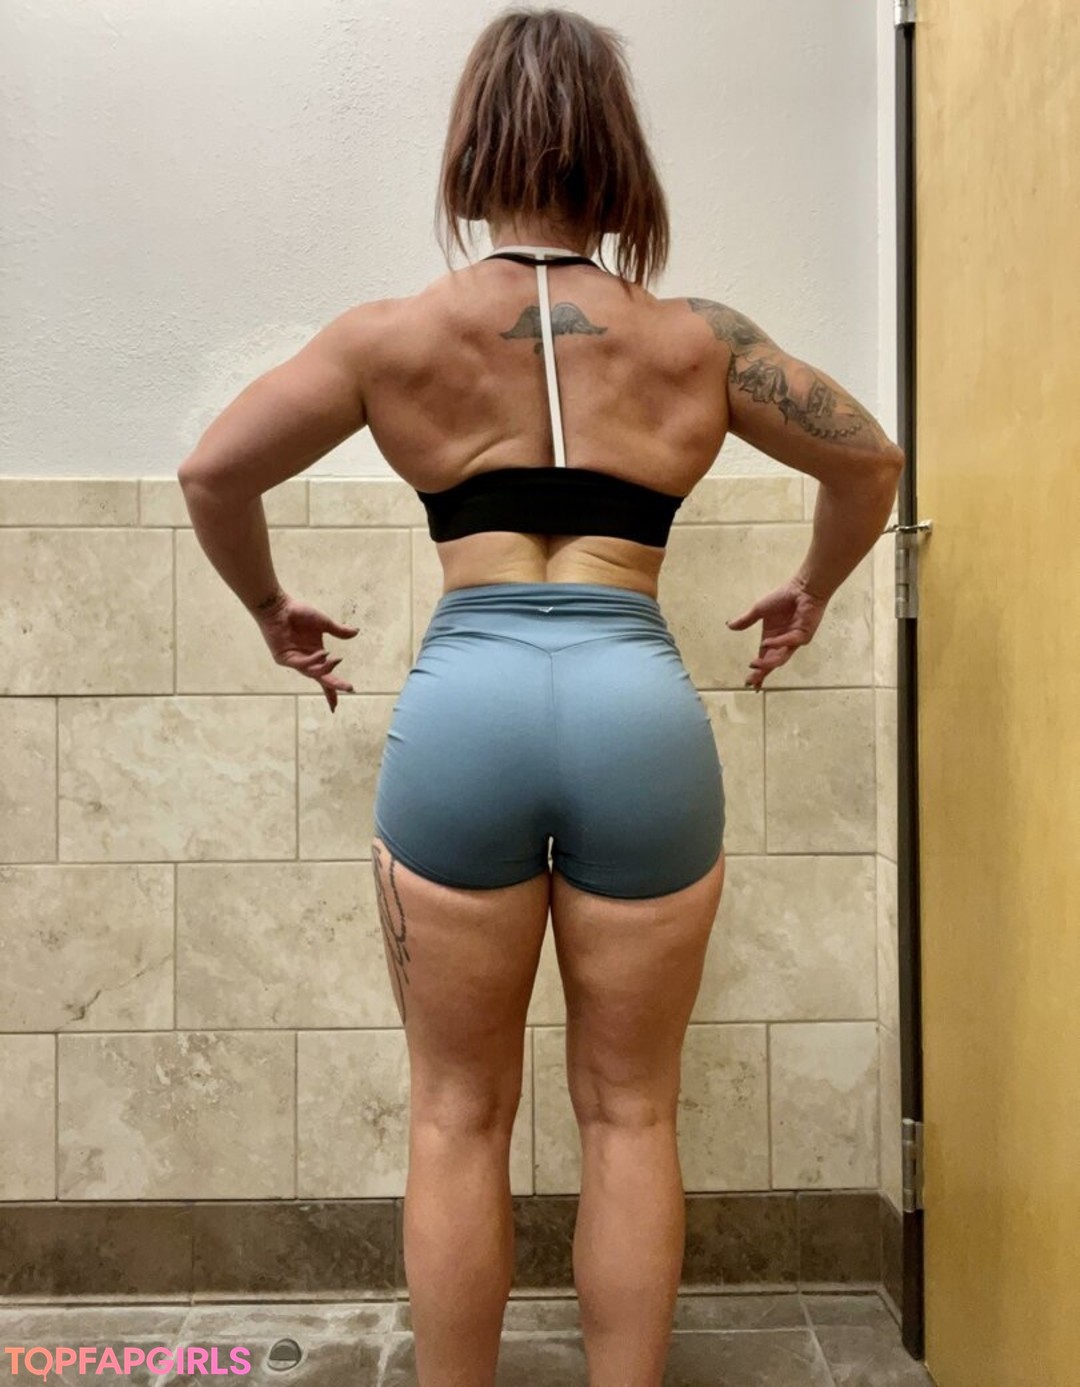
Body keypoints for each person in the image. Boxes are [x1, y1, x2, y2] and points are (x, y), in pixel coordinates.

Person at [178, 8, 903, 1385]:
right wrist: (813, 588)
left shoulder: (393, 337)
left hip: (469, 711)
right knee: (632, 1114)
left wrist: (272, 610)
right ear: (618, 160)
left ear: (471, 152)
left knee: (457, 1115)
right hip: (638, 710)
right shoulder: (699, 341)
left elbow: (214, 472)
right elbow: (870, 461)